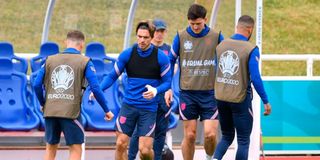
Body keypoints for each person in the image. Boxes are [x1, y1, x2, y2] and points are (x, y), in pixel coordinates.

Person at [92, 20, 171, 160]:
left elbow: (167, 83)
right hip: (128, 106)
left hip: (148, 109)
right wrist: (98, 89)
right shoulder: (127, 54)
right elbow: (112, 76)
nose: (141, 40)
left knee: (145, 151)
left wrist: (156, 90)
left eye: (145, 37)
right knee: (120, 144)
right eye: (139, 36)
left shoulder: (161, 57)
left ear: (151, 38)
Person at [33, 30, 114, 160]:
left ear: (66, 42)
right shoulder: (85, 61)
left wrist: (43, 103)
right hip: (71, 112)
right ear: (82, 45)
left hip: (50, 110)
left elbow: (36, 84)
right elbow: (95, 88)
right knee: (76, 148)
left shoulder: (49, 60)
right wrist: (106, 110)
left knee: (50, 148)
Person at [165, 4, 224, 160]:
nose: (195, 27)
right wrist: (169, 87)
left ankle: (208, 157)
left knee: (210, 135)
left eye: (199, 23)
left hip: (210, 93)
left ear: (205, 19)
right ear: (188, 21)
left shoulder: (216, 36)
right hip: (188, 93)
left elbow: (226, 59)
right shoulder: (180, 36)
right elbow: (170, 61)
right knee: (190, 135)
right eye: (192, 24)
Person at [213, 15, 272, 160]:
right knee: (243, 141)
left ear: (237, 27)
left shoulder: (221, 45)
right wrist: (265, 101)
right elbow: (255, 78)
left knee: (226, 136)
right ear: (250, 29)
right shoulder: (251, 49)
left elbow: (215, 71)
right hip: (240, 100)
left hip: (221, 98)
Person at [128, 18, 172, 160]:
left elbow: (171, 75)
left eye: (162, 31)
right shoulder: (141, 50)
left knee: (160, 132)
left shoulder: (169, 50)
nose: (159, 34)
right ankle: (131, 157)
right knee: (138, 132)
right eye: (157, 31)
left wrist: (169, 90)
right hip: (146, 98)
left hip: (163, 97)